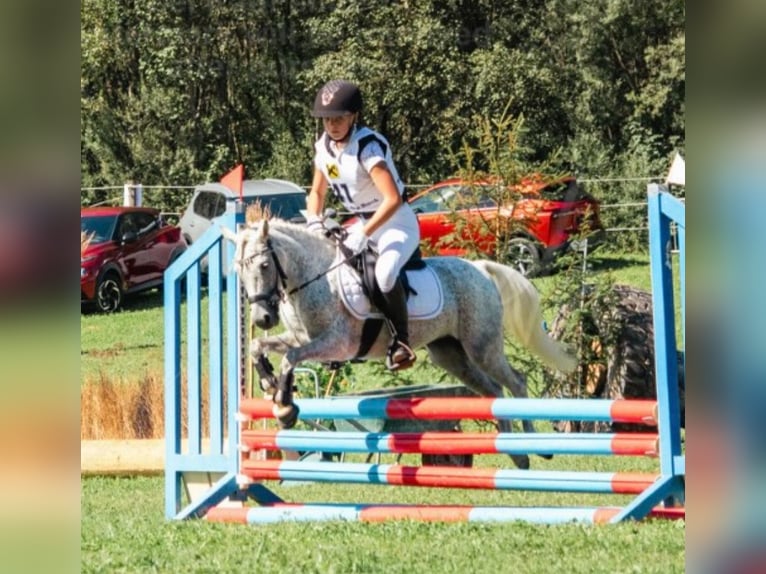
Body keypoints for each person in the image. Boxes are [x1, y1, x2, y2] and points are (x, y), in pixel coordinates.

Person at [305, 79, 419, 371]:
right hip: (362, 224)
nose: (332, 125)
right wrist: (314, 221)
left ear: (354, 116)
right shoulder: (323, 148)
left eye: (339, 118)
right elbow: (317, 192)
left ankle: (401, 343)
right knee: (331, 271)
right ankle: (339, 342)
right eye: (327, 119)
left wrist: (364, 233)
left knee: (383, 274)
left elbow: (392, 198)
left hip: (396, 223)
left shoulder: (367, 147)